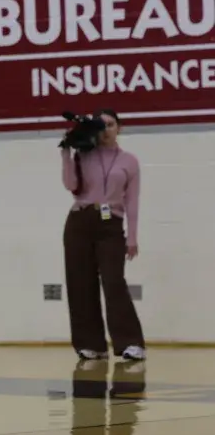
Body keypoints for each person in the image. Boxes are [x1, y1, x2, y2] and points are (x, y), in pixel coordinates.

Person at [61, 109, 145, 362]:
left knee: (113, 281)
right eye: (101, 125)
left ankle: (130, 342)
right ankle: (91, 344)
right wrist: (66, 153)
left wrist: (132, 237)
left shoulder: (129, 161)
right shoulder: (84, 154)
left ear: (119, 128)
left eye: (110, 124)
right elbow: (70, 185)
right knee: (80, 283)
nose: (106, 130)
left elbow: (132, 201)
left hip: (111, 223)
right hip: (80, 220)